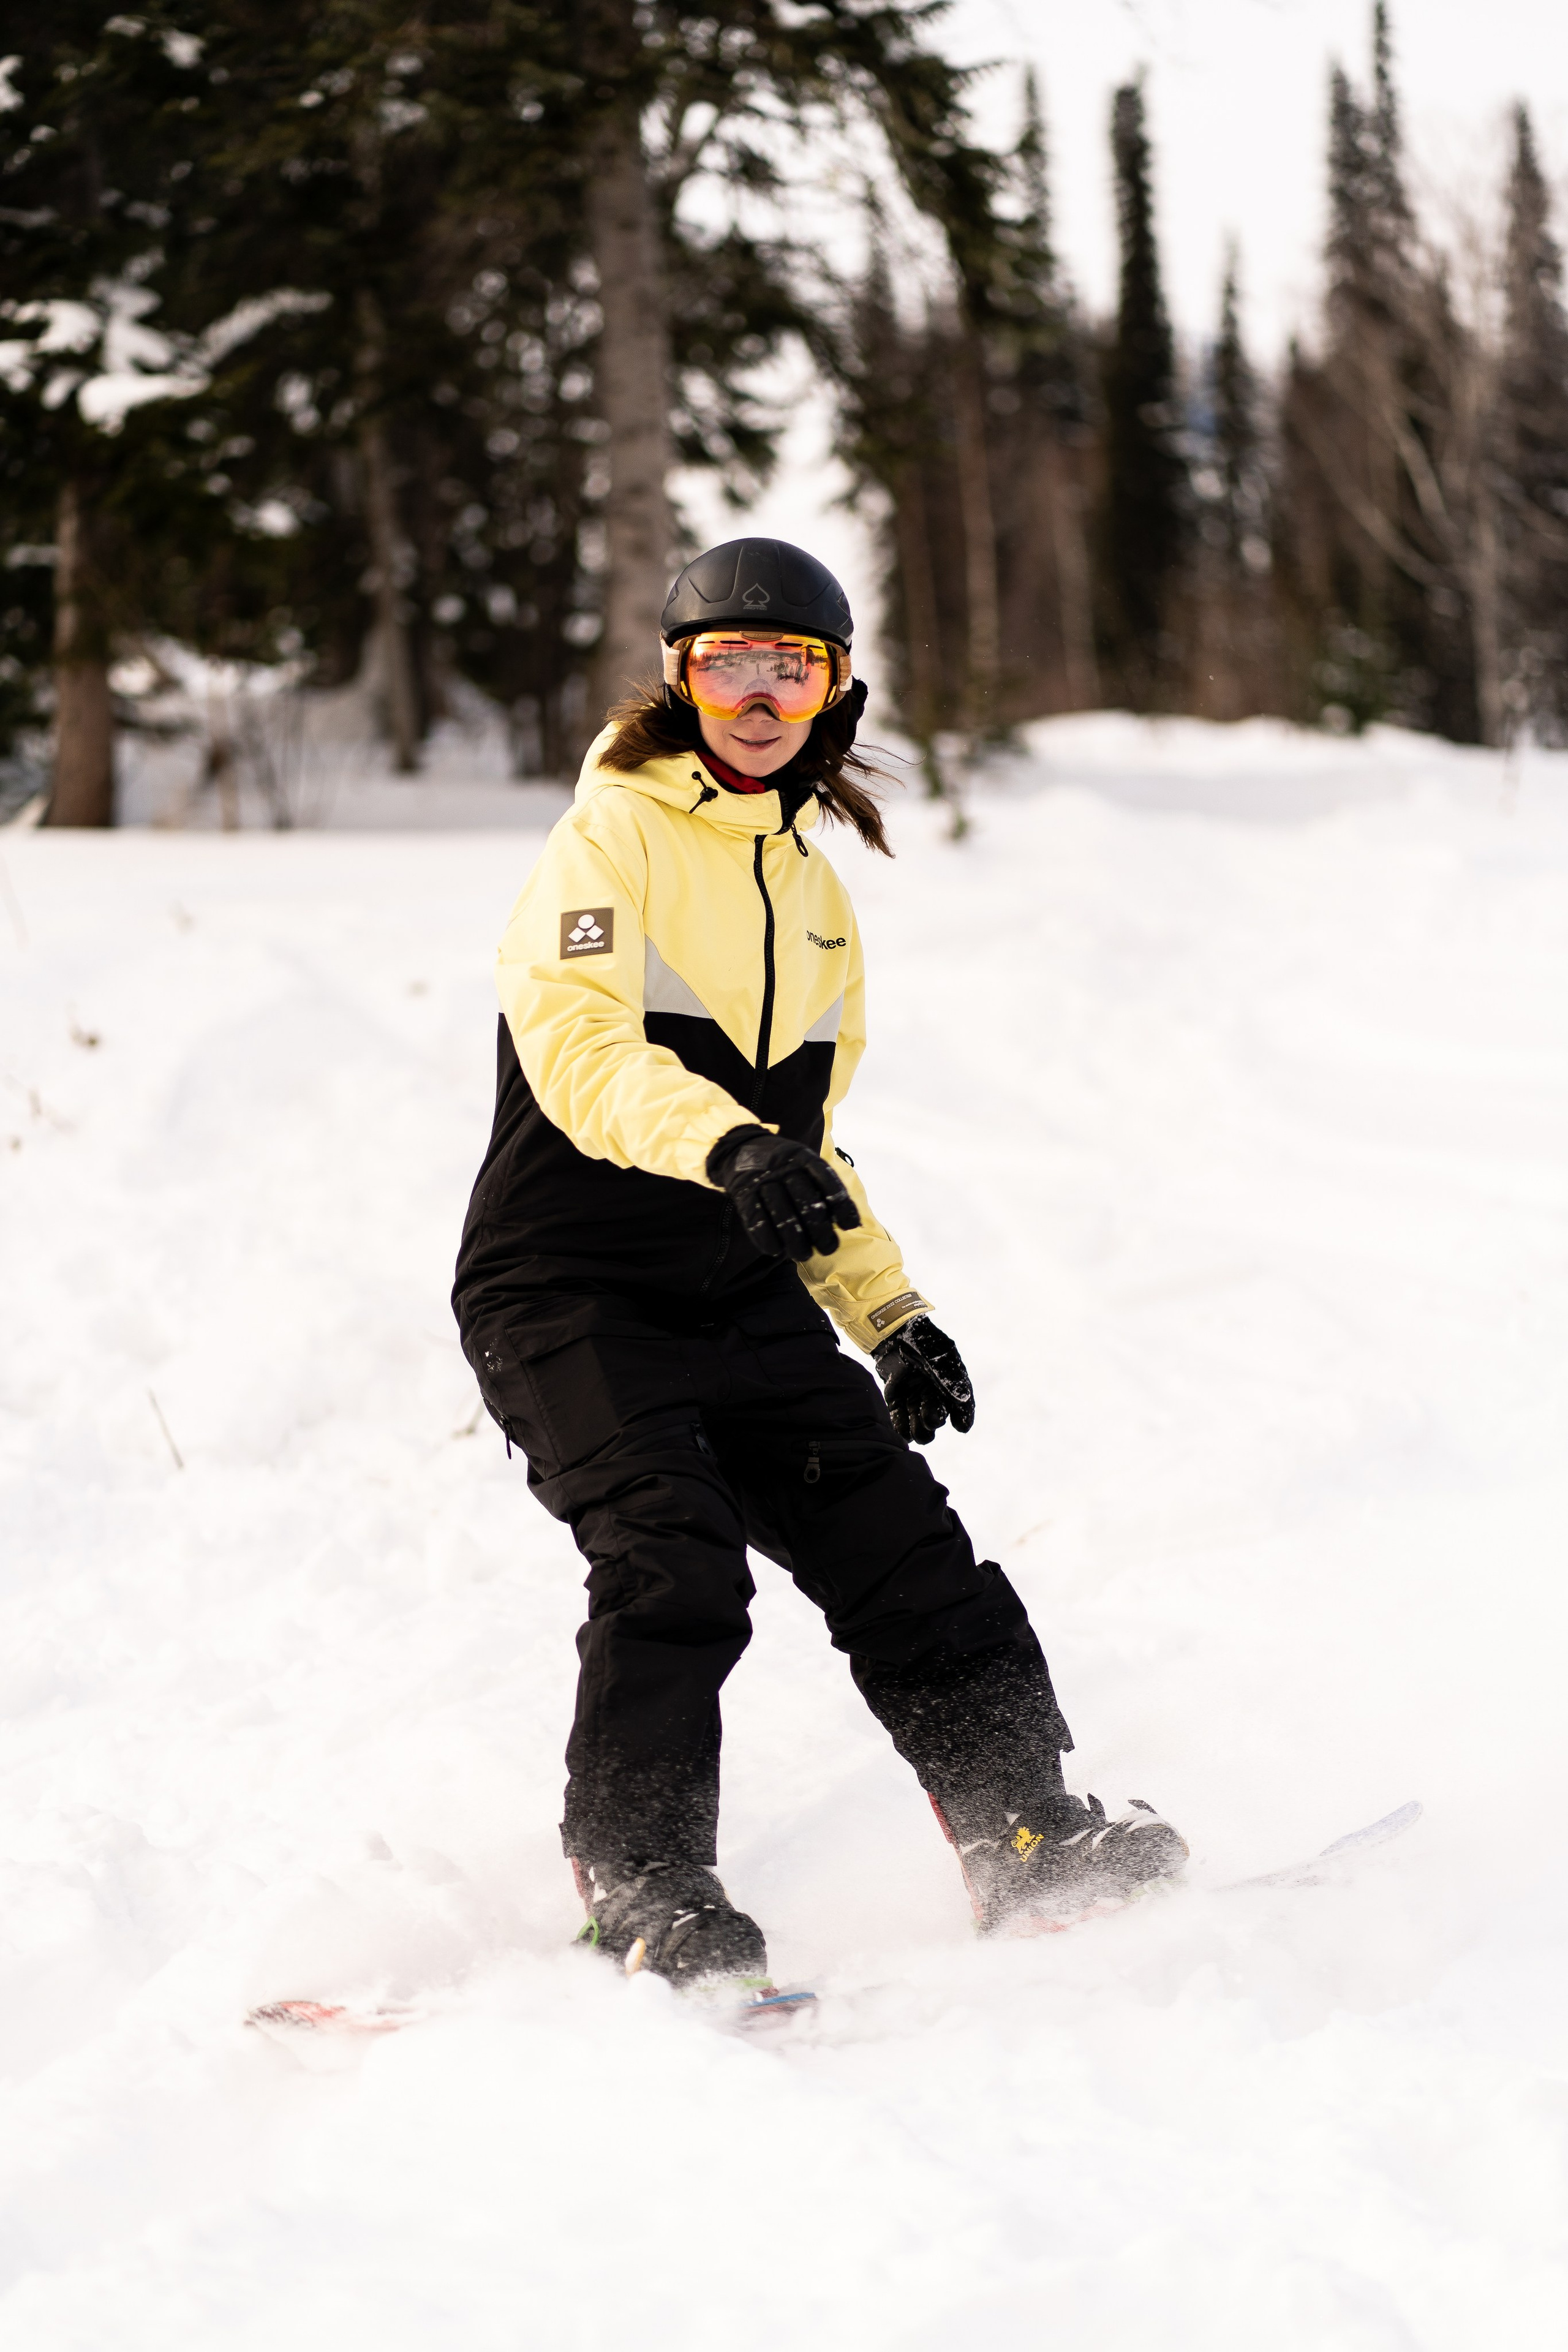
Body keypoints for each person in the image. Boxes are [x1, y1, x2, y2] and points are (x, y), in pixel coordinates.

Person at [453, 538, 1186, 1982]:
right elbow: (584, 1052)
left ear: (835, 691)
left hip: (740, 1289)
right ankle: (645, 1884)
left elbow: (808, 1143)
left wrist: (887, 1308)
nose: (757, 693)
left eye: (791, 666)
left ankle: (1021, 1830)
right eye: (726, 662)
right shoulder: (608, 841)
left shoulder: (814, 893)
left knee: (904, 1547)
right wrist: (727, 1149)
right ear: (679, 680)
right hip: (570, 1287)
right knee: (672, 1560)